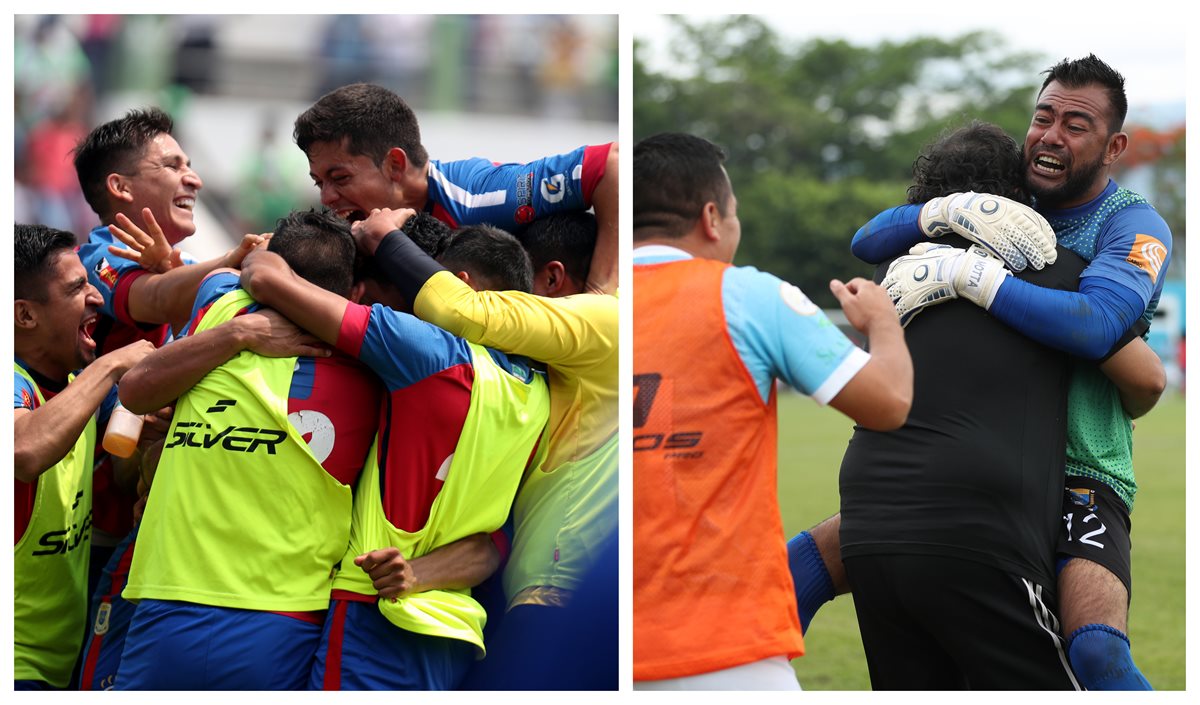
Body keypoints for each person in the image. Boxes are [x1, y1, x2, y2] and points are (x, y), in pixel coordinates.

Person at [845, 55, 1171, 690]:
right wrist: (945, 213)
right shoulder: (1005, 203)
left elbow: (1101, 327)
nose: (1051, 136)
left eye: (1076, 124)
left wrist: (971, 277)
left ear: (1115, 146)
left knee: (1098, 653)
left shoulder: (1131, 223)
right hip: (993, 463)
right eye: (1043, 117)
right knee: (830, 552)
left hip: (1081, 469)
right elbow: (869, 237)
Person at [630, 132, 913, 690]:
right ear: (712, 217)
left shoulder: (590, 309)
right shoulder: (747, 297)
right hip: (724, 649)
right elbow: (890, 401)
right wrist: (883, 320)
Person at [238, 213, 550, 690]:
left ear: (457, 285)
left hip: (373, 616)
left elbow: (265, 279)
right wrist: (418, 573)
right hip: (454, 629)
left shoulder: (428, 351)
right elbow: (492, 544)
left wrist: (255, 251)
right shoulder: (541, 393)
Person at [344, 205, 619, 690]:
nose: (513, 307)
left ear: (551, 282)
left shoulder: (603, 320)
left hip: (560, 595)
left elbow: (464, 310)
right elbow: (496, 533)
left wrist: (384, 235)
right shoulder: (530, 382)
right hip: (507, 603)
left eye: (522, 296)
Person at [113, 210, 381, 690]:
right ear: (354, 293)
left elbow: (135, 391)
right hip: (280, 620)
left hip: (169, 605)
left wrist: (241, 330)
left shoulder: (219, 305)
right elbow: (135, 391)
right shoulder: (377, 366)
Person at [70, 106, 263, 613]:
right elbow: (151, 299)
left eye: (190, 164)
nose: (193, 178)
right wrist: (237, 259)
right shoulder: (100, 254)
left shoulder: (188, 273)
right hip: (97, 526)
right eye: (173, 166)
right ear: (121, 187)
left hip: (159, 517)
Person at [291, 82, 618, 295]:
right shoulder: (355, 227)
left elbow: (612, 165)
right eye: (319, 182)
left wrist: (600, 294)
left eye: (340, 178)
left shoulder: (480, 196)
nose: (327, 198)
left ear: (394, 165)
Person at [14, 223, 153, 690]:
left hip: (63, 665)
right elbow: (23, 451)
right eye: (77, 287)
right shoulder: (13, 381)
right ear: (25, 315)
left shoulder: (77, 388)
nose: (97, 297)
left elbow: (122, 473)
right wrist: (113, 363)